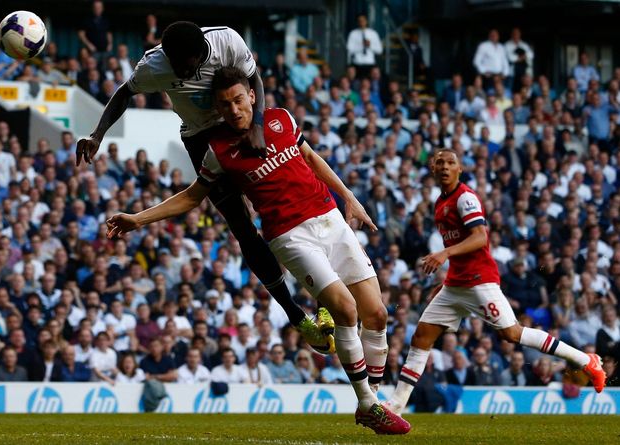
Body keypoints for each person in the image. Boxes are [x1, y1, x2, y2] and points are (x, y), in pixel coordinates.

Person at [106, 66, 406, 435]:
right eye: (224, 105)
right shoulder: (219, 152)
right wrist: (139, 218)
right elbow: (192, 197)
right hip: (291, 236)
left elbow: (312, 159)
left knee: (376, 314)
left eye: (238, 100)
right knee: (345, 309)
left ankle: (372, 398)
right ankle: (367, 404)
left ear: (251, 95)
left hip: (330, 219)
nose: (233, 110)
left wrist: (349, 198)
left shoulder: (281, 119)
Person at [75, 21, 330, 351]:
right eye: (175, 65)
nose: (180, 71)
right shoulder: (155, 65)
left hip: (238, 122)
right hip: (201, 138)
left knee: (289, 208)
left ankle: (325, 300)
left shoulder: (226, 42)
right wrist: (98, 134)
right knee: (241, 226)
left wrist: (256, 125)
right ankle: (297, 317)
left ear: (200, 55)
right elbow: (125, 92)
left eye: (186, 65)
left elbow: (254, 80)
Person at [383, 148, 607, 433]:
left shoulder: (465, 198)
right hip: (455, 284)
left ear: (459, 169)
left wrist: (444, 254)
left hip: (479, 281)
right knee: (421, 336)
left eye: (450, 162)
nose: (444, 166)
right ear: (432, 168)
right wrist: (446, 277)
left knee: (511, 334)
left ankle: (586, 360)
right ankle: (395, 407)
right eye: (439, 162)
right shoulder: (439, 203)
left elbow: (480, 238)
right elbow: (463, 247)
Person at [346, 14, 382, 79]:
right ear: (357, 22)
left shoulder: (373, 33)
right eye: (359, 21)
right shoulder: (353, 33)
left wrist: (370, 45)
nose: (361, 22)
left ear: (366, 21)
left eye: (363, 20)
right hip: (357, 63)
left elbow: (379, 50)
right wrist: (361, 46)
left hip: (370, 63)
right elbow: (349, 50)